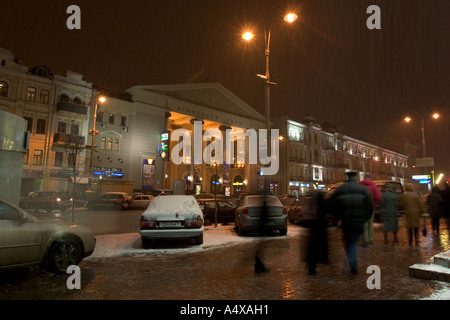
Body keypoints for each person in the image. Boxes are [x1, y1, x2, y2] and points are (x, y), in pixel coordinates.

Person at [328, 171, 374, 274]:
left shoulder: (341, 189)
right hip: (359, 222)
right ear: (355, 178)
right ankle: (353, 262)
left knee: (349, 242)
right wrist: (364, 218)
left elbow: (331, 204)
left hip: (346, 221)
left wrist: (339, 216)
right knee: (354, 241)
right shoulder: (363, 190)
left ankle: (353, 263)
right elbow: (370, 207)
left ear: (347, 177)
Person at [305, 191, 329, 275]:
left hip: (314, 228)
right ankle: (313, 266)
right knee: (318, 248)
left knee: (312, 249)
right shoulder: (322, 204)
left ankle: (311, 266)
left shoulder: (312, 204)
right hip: (320, 228)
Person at [359, 174, 381, 246]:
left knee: (364, 224)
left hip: (362, 207)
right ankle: (371, 239)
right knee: (370, 224)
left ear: (364, 178)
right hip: (371, 207)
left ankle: (365, 239)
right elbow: (378, 197)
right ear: (370, 178)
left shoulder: (359, 186)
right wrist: (374, 202)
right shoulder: (373, 186)